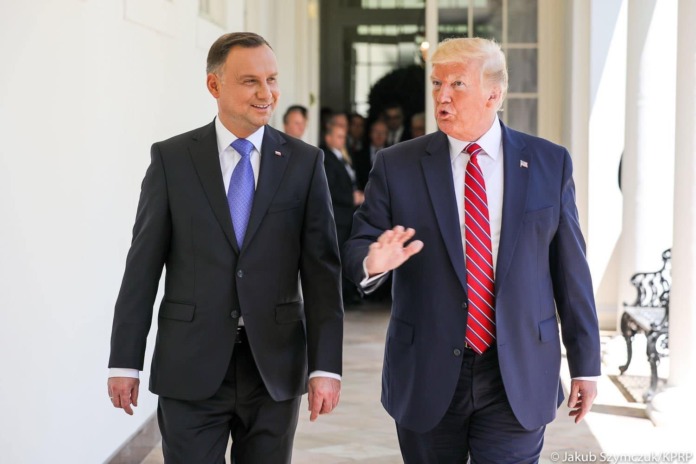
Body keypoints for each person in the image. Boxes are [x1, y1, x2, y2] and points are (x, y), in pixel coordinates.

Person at [343, 37, 600, 463]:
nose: (442, 96)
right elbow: (357, 245)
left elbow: (570, 271)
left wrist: (585, 363)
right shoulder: (397, 164)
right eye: (437, 83)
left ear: (494, 94)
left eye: (457, 84)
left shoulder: (548, 163)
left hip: (516, 371)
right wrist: (373, 261)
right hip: (426, 370)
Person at [107, 32, 343, 464]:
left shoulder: (305, 163)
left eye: (272, 79)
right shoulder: (172, 159)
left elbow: (322, 273)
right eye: (250, 80)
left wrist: (325, 366)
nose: (266, 93)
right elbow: (142, 267)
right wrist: (125, 361)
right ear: (214, 86)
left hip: (273, 367)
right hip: (189, 366)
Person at [321, 123, 364, 305]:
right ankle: (337, 297)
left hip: (348, 217)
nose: (342, 140)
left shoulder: (344, 157)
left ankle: (348, 293)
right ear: (328, 138)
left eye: (343, 136)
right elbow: (329, 188)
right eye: (338, 136)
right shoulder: (326, 158)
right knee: (336, 256)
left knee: (347, 254)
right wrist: (351, 197)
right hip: (337, 217)